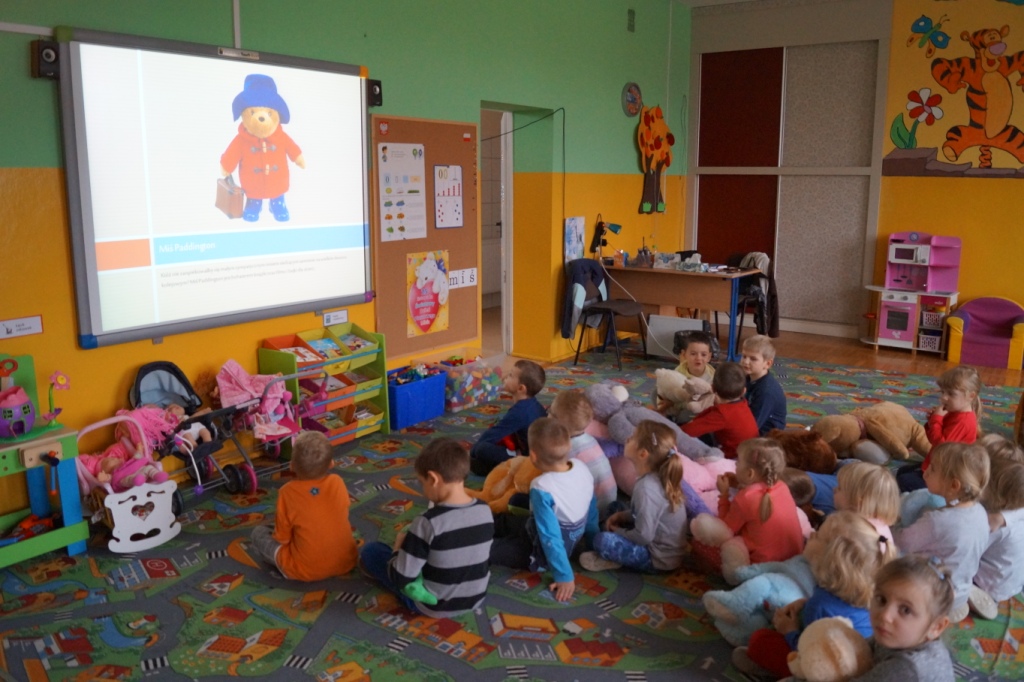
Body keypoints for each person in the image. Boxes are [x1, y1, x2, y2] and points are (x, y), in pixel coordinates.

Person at [733, 511, 898, 678]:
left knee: (760, 640)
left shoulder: (820, 604)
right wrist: (804, 603)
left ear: (831, 561)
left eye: (818, 536)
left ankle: (766, 671)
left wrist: (789, 631)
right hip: (854, 666)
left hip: (826, 672)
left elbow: (809, 654)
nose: (811, 534)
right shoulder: (868, 598)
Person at [359, 437, 493, 617]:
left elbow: (401, 578)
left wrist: (398, 548)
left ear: (433, 478)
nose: (422, 490)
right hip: (475, 598)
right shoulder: (485, 510)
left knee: (372, 552)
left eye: (422, 483)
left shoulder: (428, 522)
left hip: (433, 605)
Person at [490, 417, 598, 602]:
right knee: (506, 522)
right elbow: (591, 507)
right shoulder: (582, 467)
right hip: (562, 537)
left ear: (532, 456)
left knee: (490, 550)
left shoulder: (541, 487)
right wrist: (592, 539)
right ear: (568, 446)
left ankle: (458, 537)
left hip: (543, 554)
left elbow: (550, 536)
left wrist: (564, 576)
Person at [895, 442, 990, 623]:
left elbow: (902, 542)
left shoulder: (936, 521)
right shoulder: (981, 512)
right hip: (962, 589)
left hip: (934, 596)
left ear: (954, 485)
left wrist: (891, 525)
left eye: (933, 469)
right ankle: (962, 598)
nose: (925, 471)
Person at [690, 437, 804, 584]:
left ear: (750, 474)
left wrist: (723, 495)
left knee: (698, 543)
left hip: (759, 568)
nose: (735, 465)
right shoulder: (782, 486)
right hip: (791, 561)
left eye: (737, 462)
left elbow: (725, 530)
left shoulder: (745, 498)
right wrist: (740, 484)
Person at [579, 420, 687, 573]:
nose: (627, 439)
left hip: (658, 558)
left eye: (633, 437)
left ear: (643, 454)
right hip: (652, 535)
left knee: (601, 541)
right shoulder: (652, 478)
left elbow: (644, 537)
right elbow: (646, 515)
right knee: (615, 507)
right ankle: (611, 535)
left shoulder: (646, 489)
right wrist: (622, 516)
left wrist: (618, 532)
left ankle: (612, 558)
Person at [249, 431, 357, 581]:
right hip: (346, 561)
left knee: (258, 533)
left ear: (292, 466)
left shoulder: (287, 492)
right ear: (331, 463)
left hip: (303, 569)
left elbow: (282, 539)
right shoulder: (337, 481)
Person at [851, 555, 955, 682]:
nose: (885, 616)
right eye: (882, 600)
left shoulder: (904, 669)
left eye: (906, 610)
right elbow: (864, 647)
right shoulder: (897, 636)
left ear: (936, 627)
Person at [897, 365, 982, 493]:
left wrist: (936, 421)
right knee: (902, 472)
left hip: (946, 475)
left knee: (903, 480)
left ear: (971, 396)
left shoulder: (964, 421)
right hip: (937, 465)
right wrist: (932, 422)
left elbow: (941, 447)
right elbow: (933, 439)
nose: (943, 397)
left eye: (951, 394)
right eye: (943, 392)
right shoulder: (953, 412)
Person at [470, 359, 547, 476]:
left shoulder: (520, 412)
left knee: (482, 449)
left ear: (521, 388)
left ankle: (513, 464)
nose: (506, 377)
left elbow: (494, 434)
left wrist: (473, 451)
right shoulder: (532, 404)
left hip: (528, 459)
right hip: (535, 452)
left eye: (511, 375)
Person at [970, 458, 1024, 620]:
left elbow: (969, 548)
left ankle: (967, 595)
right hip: (1014, 584)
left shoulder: (993, 525)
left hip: (988, 584)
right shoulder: (1016, 513)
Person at [549, 388, 616, 518]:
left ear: (557, 423)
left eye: (550, 413)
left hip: (593, 512)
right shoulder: (589, 439)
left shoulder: (566, 450)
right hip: (609, 502)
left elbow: (557, 480)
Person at [680, 362, 759, 459]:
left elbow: (685, 431)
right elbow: (709, 414)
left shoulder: (722, 414)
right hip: (749, 453)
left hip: (734, 459)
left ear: (712, 388)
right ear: (743, 391)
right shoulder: (742, 403)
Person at [814, 461, 901, 542]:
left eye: (839, 488)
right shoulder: (880, 524)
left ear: (858, 502)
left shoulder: (848, 530)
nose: (834, 489)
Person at [655, 330, 715, 422]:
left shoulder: (712, 376)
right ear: (684, 354)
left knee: (686, 415)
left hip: (695, 407)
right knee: (655, 393)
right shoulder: (679, 371)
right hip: (677, 402)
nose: (698, 358)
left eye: (703, 355)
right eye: (693, 354)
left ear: (709, 357)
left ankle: (676, 420)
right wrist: (667, 402)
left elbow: (704, 402)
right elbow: (671, 390)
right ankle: (669, 417)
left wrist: (672, 404)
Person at [739, 334, 787, 436]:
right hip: (750, 421)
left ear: (768, 364)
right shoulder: (748, 378)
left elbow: (753, 426)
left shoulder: (766, 391)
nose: (746, 362)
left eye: (753, 359)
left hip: (766, 436)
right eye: (744, 356)